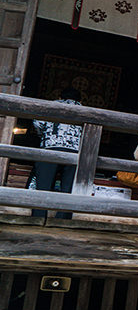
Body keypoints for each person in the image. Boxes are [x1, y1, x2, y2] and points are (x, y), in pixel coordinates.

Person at [31, 88, 83, 218]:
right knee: (68, 188)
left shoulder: (51, 105)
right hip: (75, 152)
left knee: (43, 186)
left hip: (50, 148)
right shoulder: (84, 109)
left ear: (60, 96)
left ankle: (38, 217)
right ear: (80, 100)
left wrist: (43, 135)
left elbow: (37, 123)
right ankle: (62, 219)